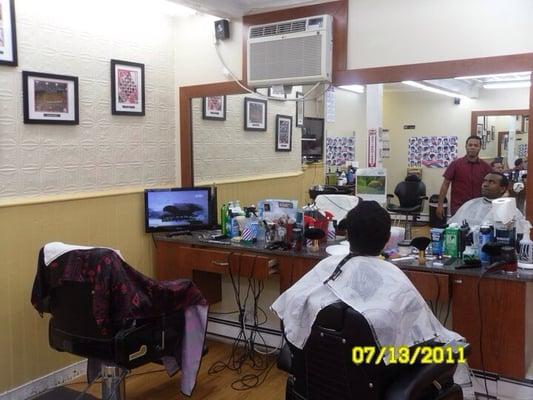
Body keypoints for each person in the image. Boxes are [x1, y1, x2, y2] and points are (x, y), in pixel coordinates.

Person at [271, 201, 462, 353]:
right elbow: (421, 338)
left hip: (323, 376)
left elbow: (292, 305)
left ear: (347, 234)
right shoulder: (395, 279)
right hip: (378, 374)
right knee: (456, 348)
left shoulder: (328, 266)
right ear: (388, 239)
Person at [448, 172, 528, 234]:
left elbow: (518, 235)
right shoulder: (470, 203)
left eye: (491, 182)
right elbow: (451, 226)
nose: (485, 184)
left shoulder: (509, 210)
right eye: (485, 181)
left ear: (502, 189)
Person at [436, 136, 492, 218]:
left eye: (476, 145)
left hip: (479, 207)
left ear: (480, 148)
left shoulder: (486, 167)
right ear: (466, 146)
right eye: (470, 145)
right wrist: (440, 205)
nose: (472, 147)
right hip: (458, 207)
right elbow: (445, 184)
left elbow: (494, 184)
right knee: (458, 230)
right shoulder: (455, 164)